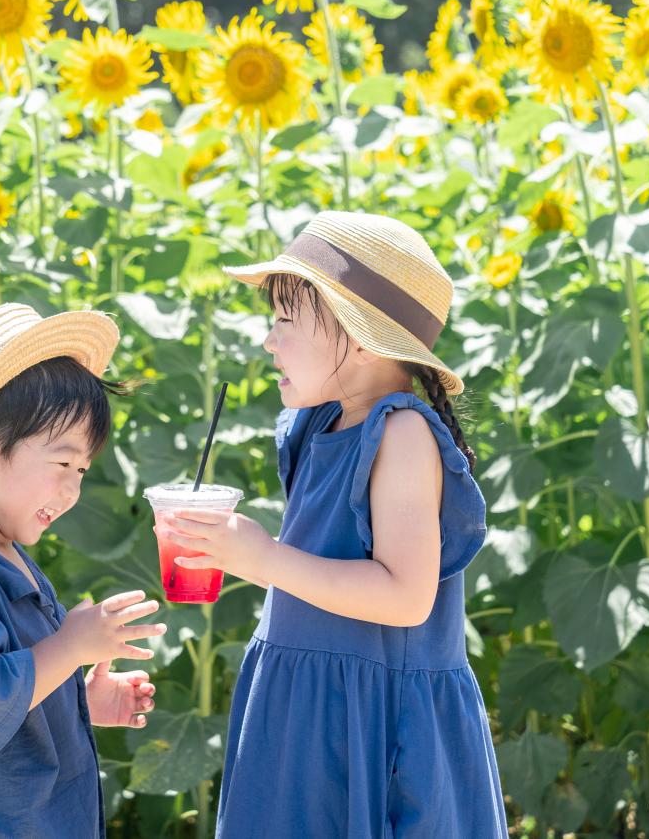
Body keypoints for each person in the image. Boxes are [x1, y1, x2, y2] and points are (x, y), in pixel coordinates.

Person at [156, 212, 507, 836]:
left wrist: (263, 560)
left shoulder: (400, 434)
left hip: (374, 730)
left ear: (363, 338)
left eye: (286, 321)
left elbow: (405, 597)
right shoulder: (318, 425)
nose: (270, 341)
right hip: (307, 711)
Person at [0, 303, 166, 837]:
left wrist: (78, 700)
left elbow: (15, 693)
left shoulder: (2, 549)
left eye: (82, 470)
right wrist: (70, 648)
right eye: (62, 464)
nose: (73, 490)